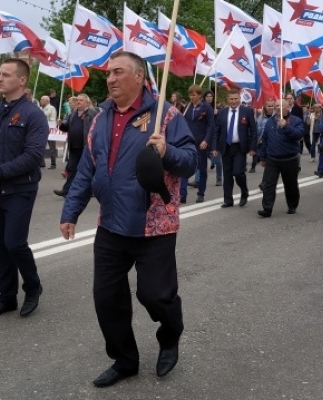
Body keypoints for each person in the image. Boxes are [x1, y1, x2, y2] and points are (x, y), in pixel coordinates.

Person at [59, 51, 196, 387]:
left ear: (138, 76)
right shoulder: (100, 118)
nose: (110, 79)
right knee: (107, 298)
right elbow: (86, 169)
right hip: (111, 224)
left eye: (118, 72)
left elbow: (191, 161)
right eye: (108, 73)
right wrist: (71, 211)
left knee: (155, 296)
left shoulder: (166, 115)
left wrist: (167, 152)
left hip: (154, 224)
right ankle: (124, 360)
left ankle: (170, 334)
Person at [0, 58, 48, 318]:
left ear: (22, 80)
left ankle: (33, 287)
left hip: (19, 188)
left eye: (6, 75)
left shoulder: (34, 115)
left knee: (14, 243)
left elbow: (33, 156)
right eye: (0, 74)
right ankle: (7, 296)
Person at [257, 98, 304, 218]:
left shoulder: (296, 120)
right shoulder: (270, 122)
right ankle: (267, 208)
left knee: (290, 184)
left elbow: (299, 135)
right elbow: (265, 139)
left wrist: (286, 126)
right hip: (272, 159)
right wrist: (262, 157)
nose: (279, 108)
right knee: (268, 185)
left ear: (288, 107)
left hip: (290, 159)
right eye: (277, 106)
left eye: (282, 105)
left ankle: (292, 205)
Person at [213, 88, 257, 208]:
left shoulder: (247, 111)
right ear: (227, 99)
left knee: (238, 172)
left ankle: (244, 192)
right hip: (226, 147)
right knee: (227, 175)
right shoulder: (222, 112)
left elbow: (253, 130)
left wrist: (253, 147)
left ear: (239, 99)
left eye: (236, 99)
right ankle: (228, 200)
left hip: (240, 147)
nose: (233, 101)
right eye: (231, 99)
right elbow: (217, 131)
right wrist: (215, 147)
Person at [53, 93, 98, 197]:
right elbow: (66, 127)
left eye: (81, 100)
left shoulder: (92, 114)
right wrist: (61, 125)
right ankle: (66, 190)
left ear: (87, 103)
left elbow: (96, 130)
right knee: (71, 169)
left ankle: (91, 190)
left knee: (87, 170)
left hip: (86, 147)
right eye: (77, 100)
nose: (78, 102)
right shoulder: (73, 113)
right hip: (74, 147)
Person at [183, 84, 215, 203]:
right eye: (190, 95)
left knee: (202, 169)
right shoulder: (187, 107)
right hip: (188, 143)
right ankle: (182, 194)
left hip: (201, 143)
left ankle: (201, 193)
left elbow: (211, 126)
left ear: (200, 95)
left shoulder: (207, 108)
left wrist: (206, 140)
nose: (192, 97)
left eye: (194, 95)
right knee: (185, 167)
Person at [40, 95, 58, 169]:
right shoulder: (40, 109)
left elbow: (53, 119)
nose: (40, 101)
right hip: (41, 130)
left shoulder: (51, 108)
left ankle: (53, 163)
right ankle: (41, 163)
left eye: (42, 100)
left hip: (50, 130)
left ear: (47, 101)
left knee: (52, 147)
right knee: (41, 146)